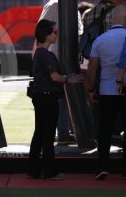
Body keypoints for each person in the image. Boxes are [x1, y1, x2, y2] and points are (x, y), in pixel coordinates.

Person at [27, 19, 84, 180]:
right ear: (46, 35)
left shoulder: (39, 52)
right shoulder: (46, 54)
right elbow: (55, 77)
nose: (57, 35)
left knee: (39, 133)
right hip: (48, 98)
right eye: (54, 32)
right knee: (47, 135)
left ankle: (34, 170)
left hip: (40, 97)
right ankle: (49, 170)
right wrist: (69, 79)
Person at [37, 0, 87, 145]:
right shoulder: (54, 5)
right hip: (56, 58)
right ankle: (63, 133)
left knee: (67, 98)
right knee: (58, 98)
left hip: (70, 59)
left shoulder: (73, 9)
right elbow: (41, 29)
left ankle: (67, 131)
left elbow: (79, 33)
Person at [90, 5, 126, 180]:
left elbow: (93, 69)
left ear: (111, 20)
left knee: (104, 130)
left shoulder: (101, 40)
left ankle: (102, 166)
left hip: (106, 90)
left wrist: (90, 89)